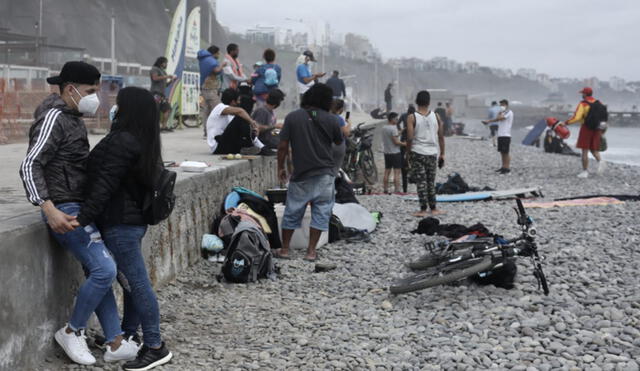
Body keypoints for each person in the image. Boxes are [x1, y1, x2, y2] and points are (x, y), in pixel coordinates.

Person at [18, 61, 139, 366]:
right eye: (90, 91)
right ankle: (72, 331)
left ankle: (114, 342)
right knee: (105, 270)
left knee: (98, 269)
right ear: (70, 89)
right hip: (64, 208)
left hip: (80, 208)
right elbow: (29, 164)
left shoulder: (73, 117)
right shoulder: (54, 118)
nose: (95, 97)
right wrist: (48, 209)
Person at [75, 87, 173, 370]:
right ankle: (130, 334)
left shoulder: (123, 141)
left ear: (129, 110)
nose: (113, 107)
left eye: (119, 104)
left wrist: (82, 218)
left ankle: (155, 346)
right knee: (131, 284)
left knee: (137, 283)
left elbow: (104, 185)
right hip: (131, 224)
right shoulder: (143, 140)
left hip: (119, 224)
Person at [275, 84, 343, 261]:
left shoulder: (292, 118)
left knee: (293, 210)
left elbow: (282, 146)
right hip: (325, 174)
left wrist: (280, 167)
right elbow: (338, 142)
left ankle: (284, 249)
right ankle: (311, 251)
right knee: (321, 212)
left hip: (301, 174)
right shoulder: (333, 120)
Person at [406, 90, 445, 217]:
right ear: (429, 102)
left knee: (421, 181)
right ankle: (433, 208)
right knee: (430, 181)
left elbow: (410, 138)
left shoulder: (412, 117)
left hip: (417, 152)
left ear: (417, 101)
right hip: (432, 153)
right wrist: (442, 154)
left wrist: (407, 154)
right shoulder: (436, 116)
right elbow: (441, 137)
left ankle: (423, 209)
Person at [561, 87, 605, 178]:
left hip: (586, 128)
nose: (582, 95)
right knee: (593, 149)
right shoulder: (599, 102)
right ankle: (601, 162)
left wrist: (565, 123)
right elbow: (604, 115)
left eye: (582, 93)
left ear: (585, 94)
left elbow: (577, 117)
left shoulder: (583, 104)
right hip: (597, 128)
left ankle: (585, 172)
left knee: (585, 150)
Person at [206, 88, 263, 154]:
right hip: (218, 146)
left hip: (226, 144)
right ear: (233, 101)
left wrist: (253, 130)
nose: (239, 102)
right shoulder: (220, 107)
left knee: (242, 124)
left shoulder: (230, 113)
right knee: (241, 118)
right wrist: (252, 122)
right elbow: (240, 111)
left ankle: (257, 146)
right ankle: (255, 145)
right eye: (238, 100)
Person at [198, 45, 226, 138]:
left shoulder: (204, 59)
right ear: (214, 53)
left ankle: (206, 132)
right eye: (218, 53)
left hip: (204, 88)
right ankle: (212, 132)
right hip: (210, 88)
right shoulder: (210, 60)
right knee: (217, 109)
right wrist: (222, 65)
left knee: (206, 110)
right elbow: (216, 70)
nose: (219, 55)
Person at [482, 99, 513, 174]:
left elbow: (500, 118)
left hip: (506, 135)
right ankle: (503, 167)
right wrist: (500, 112)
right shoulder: (502, 112)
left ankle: (507, 167)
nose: (501, 106)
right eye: (500, 105)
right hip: (501, 135)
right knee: (502, 152)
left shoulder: (509, 112)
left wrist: (489, 121)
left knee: (506, 152)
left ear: (506, 105)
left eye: (502, 105)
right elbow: (498, 118)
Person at [252, 88, 286, 153]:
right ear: (277, 102)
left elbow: (271, 130)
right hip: (263, 141)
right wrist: (275, 126)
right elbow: (257, 127)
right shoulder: (262, 111)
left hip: (270, 138)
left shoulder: (270, 111)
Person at [149, 57, 177, 131]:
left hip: (162, 95)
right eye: (165, 62)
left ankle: (163, 127)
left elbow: (165, 85)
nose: (166, 64)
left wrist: (171, 81)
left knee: (168, 109)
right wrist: (167, 76)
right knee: (155, 111)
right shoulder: (154, 69)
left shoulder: (163, 71)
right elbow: (155, 78)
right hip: (155, 94)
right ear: (161, 62)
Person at [381, 112, 405, 194]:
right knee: (396, 172)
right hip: (395, 153)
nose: (397, 120)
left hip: (387, 153)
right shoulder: (393, 128)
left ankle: (385, 189)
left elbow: (392, 136)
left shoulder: (384, 128)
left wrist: (400, 132)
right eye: (396, 119)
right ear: (392, 119)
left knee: (387, 171)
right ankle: (397, 190)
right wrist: (405, 144)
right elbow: (396, 142)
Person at [329, 98, 352, 174]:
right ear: (341, 109)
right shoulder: (339, 119)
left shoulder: (326, 116)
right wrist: (349, 124)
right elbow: (346, 133)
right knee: (335, 169)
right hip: (337, 147)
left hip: (326, 146)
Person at [398, 104, 415, 193]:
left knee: (403, 164)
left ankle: (405, 189)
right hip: (412, 140)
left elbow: (397, 123)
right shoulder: (415, 116)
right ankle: (412, 179)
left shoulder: (404, 115)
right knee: (413, 161)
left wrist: (402, 129)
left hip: (404, 139)